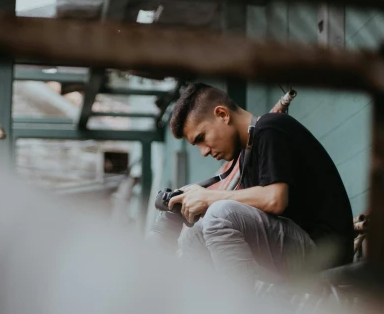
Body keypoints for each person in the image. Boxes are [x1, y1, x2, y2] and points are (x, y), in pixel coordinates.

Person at [148, 83, 353, 284]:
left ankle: (240, 310)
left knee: (219, 213)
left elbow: (275, 200)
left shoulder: (270, 128)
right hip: (292, 251)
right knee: (193, 235)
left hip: (324, 253)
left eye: (202, 137)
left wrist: (208, 198)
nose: (204, 151)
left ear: (222, 114)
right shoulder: (246, 155)